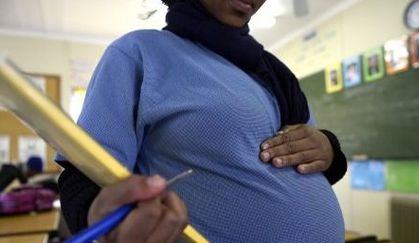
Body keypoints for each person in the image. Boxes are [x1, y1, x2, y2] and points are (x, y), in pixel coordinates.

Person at [56, 0, 348, 242]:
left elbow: (305, 161)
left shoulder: (275, 73)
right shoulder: (139, 53)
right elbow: (82, 176)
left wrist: (329, 149)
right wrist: (101, 220)